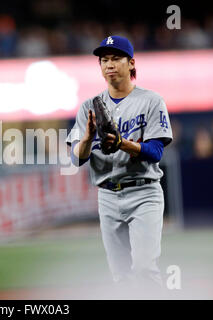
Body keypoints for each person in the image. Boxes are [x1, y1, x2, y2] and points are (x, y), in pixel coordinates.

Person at [66, 36, 173, 295]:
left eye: (116, 58)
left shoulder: (151, 100)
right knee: (120, 276)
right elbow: (76, 158)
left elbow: (156, 152)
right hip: (107, 196)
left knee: (145, 269)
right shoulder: (88, 108)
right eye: (104, 60)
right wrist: (89, 137)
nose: (109, 64)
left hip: (144, 193)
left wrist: (123, 143)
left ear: (131, 63)